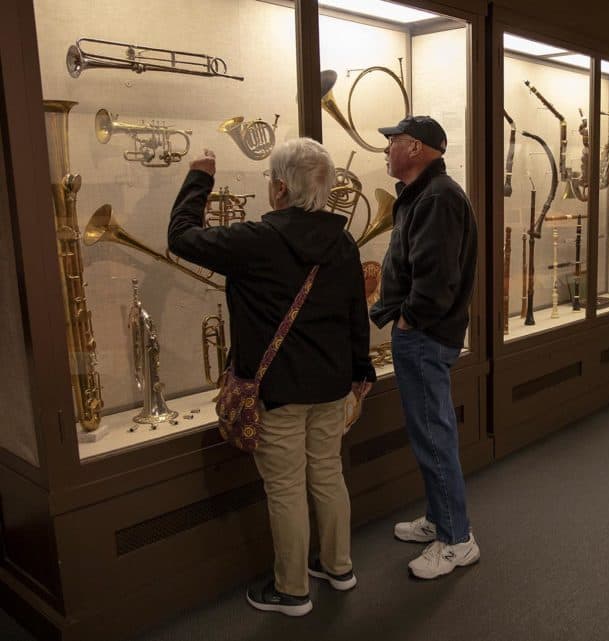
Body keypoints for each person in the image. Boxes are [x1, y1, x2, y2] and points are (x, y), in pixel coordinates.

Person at [167, 138, 375, 616]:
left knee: (284, 488)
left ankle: (292, 590)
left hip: (277, 391)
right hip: (330, 386)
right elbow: (354, 316)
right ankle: (338, 567)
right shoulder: (342, 241)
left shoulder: (256, 239)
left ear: (280, 189)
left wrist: (200, 176)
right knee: (327, 473)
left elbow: (180, 236)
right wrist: (360, 376)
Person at [369, 116, 479, 579]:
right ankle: (440, 520)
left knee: (434, 436)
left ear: (415, 147)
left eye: (392, 142)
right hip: (422, 336)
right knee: (428, 433)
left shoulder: (437, 198)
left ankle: (457, 540)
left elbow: (436, 282)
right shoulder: (426, 195)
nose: (387, 150)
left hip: (425, 337)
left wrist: (409, 320)